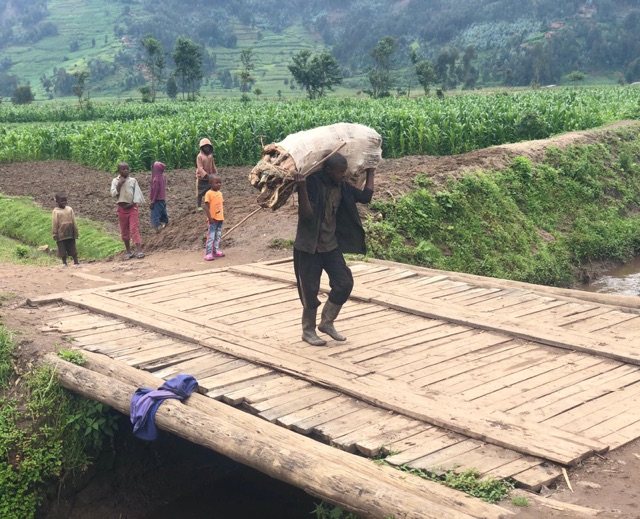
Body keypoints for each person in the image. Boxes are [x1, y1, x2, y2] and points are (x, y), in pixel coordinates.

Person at [294, 153, 375, 346]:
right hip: (309, 247)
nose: (343, 175)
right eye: (339, 172)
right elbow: (306, 215)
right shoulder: (312, 183)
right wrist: (302, 188)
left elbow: (365, 197)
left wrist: (371, 171)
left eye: (344, 171)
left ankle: (327, 322)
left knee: (344, 283)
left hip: (330, 246)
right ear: (328, 170)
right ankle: (308, 331)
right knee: (309, 290)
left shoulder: (342, 187)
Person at [110, 162, 145, 259]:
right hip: (121, 209)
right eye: (123, 169)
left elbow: (137, 195)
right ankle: (128, 252)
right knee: (124, 230)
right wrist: (119, 184)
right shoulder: (115, 181)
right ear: (119, 171)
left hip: (132, 208)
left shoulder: (133, 181)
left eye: (127, 169)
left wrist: (131, 204)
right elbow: (113, 194)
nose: (126, 170)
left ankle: (139, 251)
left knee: (134, 229)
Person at [51, 192, 79, 268]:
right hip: (61, 234)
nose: (64, 203)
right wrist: (55, 233)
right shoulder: (56, 211)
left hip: (70, 232)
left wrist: (75, 231)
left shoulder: (69, 209)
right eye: (61, 201)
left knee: (73, 248)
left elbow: (74, 221)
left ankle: (76, 262)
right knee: (62, 249)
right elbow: (55, 223)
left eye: (65, 201)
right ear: (57, 201)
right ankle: (64, 263)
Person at [203, 173, 225, 261]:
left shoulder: (220, 193)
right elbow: (206, 207)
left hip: (220, 219)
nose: (219, 184)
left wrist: (221, 216)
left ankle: (215, 251)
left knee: (217, 236)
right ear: (210, 183)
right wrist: (210, 218)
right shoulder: (208, 194)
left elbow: (220, 205)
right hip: (213, 219)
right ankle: (208, 253)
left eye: (220, 182)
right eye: (216, 183)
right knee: (211, 236)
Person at [196, 138, 218, 211]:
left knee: (210, 191)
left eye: (208, 147)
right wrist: (207, 175)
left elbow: (213, 165)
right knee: (200, 193)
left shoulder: (210, 156)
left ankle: (210, 203)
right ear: (202, 148)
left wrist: (215, 173)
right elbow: (200, 168)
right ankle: (199, 206)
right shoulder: (199, 156)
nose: (207, 148)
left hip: (210, 177)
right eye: (205, 147)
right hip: (202, 178)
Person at [149, 161, 169, 231]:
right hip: (162, 198)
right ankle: (165, 222)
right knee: (163, 211)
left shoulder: (155, 180)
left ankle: (156, 228)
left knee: (155, 214)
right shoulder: (163, 177)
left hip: (156, 200)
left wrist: (152, 202)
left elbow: (155, 192)